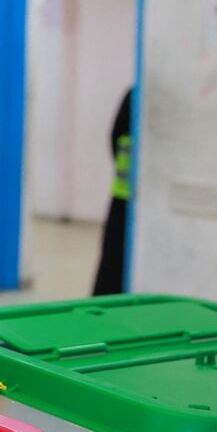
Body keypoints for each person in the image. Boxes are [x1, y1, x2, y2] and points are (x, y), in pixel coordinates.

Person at [92, 88, 133, 296]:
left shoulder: (134, 94)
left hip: (124, 193)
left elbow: (114, 138)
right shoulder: (137, 96)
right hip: (127, 195)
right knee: (115, 256)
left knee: (113, 256)